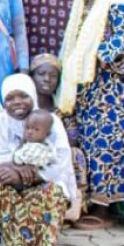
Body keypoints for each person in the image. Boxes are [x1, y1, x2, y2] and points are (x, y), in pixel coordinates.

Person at [58, 0, 124, 228]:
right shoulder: (82, 1)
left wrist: (92, 53)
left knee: (105, 143)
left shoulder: (116, 2)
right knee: (84, 142)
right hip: (83, 87)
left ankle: (104, 208)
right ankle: (83, 201)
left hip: (107, 88)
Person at [0, 74, 77, 246]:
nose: (17, 102)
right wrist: (12, 168)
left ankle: (41, 240)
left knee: (54, 192)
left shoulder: (50, 122)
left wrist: (33, 175)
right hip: (8, 186)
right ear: (3, 101)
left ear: (33, 95)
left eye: (23, 96)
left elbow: (62, 163)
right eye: (10, 98)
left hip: (41, 184)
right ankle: (10, 235)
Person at [29, 53, 85, 211]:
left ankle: (72, 204)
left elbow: (72, 139)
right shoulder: (25, 107)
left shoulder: (62, 109)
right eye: (41, 74)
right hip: (29, 158)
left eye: (53, 75)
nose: (47, 79)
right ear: (32, 77)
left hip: (56, 159)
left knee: (75, 153)